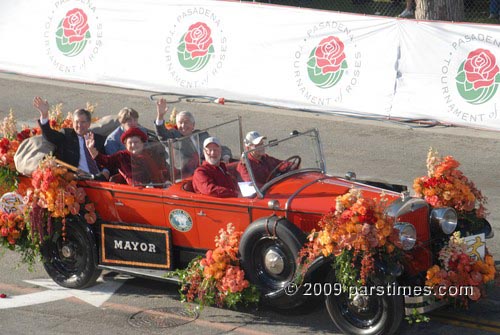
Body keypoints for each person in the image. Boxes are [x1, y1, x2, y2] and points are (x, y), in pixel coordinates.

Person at [33, 96, 109, 180]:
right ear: (72, 123)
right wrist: (44, 115)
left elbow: (106, 161)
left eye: (83, 122)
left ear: (89, 123)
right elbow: (49, 135)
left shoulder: (98, 139)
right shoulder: (66, 135)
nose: (79, 125)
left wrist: (105, 172)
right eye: (77, 122)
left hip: (99, 179)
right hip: (78, 180)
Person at [154, 98, 231, 175]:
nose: (183, 125)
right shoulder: (174, 136)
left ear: (193, 125)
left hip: (208, 170)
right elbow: (162, 134)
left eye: (186, 122)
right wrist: (160, 116)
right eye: (180, 123)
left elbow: (220, 148)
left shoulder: (201, 135)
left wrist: (225, 157)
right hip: (184, 175)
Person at [85, 127, 168, 186]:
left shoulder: (150, 153)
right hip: (136, 192)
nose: (133, 145)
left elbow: (163, 169)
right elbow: (106, 161)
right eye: (130, 143)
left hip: (157, 187)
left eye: (136, 142)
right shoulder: (122, 156)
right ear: (125, 145)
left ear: (142, 143)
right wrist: (91, 149)